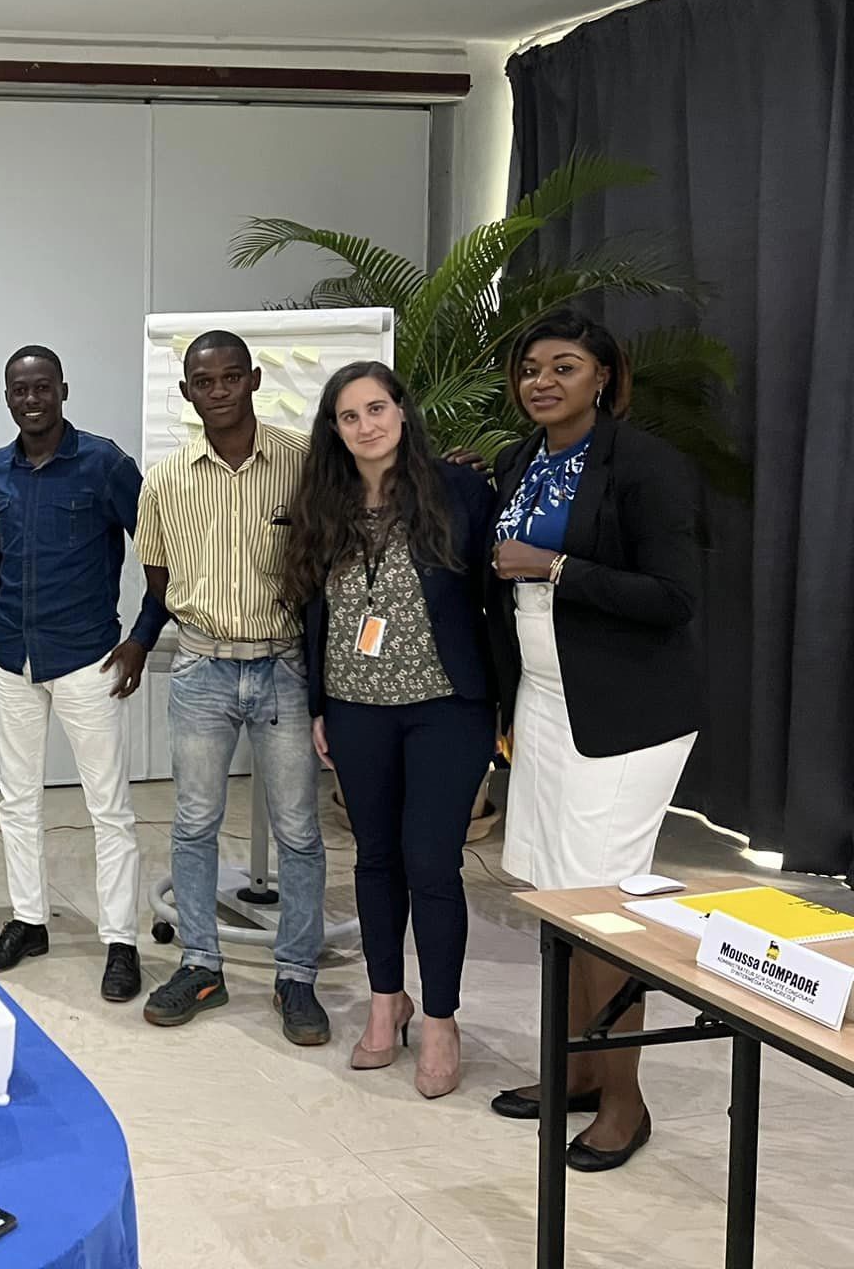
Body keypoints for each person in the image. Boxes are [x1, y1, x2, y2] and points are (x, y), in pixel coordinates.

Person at [485, 312, 702, 1171]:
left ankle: (624, 1101)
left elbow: (674, 596)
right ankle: (575, 1071)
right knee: (558, 895)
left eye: (564, 366)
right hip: (543, 701)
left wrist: (555, 568)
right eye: (530, 368)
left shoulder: (646, 465)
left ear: (604, 376)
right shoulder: (519, 461)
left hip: (624, 711)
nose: (541, 382)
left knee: (605, 906)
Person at [280, 362, 496, 1098]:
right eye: (350, 416)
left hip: (447, 707)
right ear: (334, 430)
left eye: (377, 408)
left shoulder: (458, 491)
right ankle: (385, 1001)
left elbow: (493, 599)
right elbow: (312, 610)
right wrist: (318, 704)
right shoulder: (323, 504)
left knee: (430, 863)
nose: (366, 425)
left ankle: (440, 1020)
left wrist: (506, 704)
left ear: (402, 412)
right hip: (354, 708)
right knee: (374, 860)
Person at [134, 330, 330, 1046]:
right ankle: (200, 964)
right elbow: (158, 578)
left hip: (284, 665)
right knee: (194, 823)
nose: (217, 391)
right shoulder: (165, 480)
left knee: (298, 829)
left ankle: (296, 975)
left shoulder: (303, 464)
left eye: (229, 377)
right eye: (203, 381)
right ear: (187, 392)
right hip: (202, 668)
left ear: (253, 380)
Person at [0, 346, 167, 999]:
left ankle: (120, 941)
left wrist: (141, 639)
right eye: (19, 390)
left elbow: (161, 554)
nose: (31, 399)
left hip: (88, 660)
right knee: (16, 800)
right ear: (7, 397)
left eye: (42, 387)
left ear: (63, 390)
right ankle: (29, 921)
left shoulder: (104, 464)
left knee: (107, 808)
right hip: (15, 660)